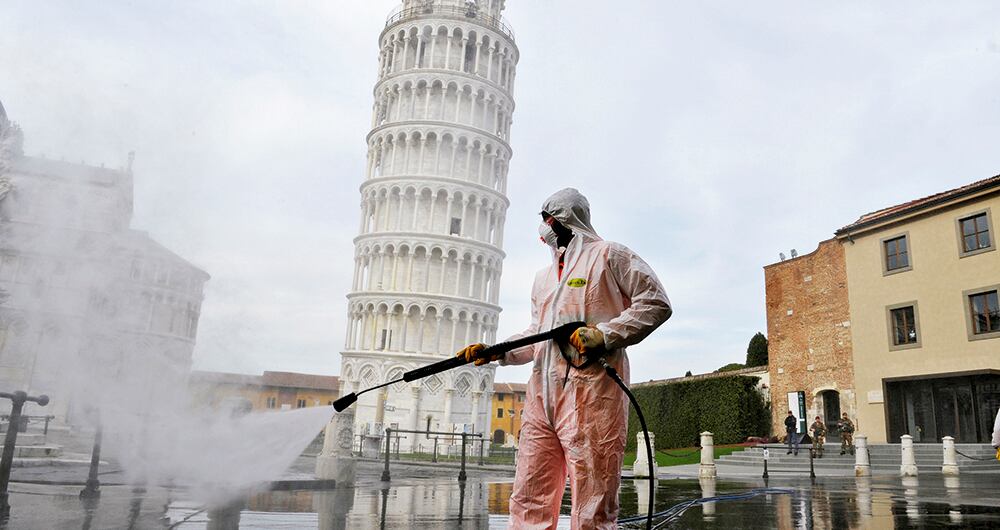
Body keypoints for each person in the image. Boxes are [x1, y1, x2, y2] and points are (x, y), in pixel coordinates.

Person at [455, 188, 672, 529]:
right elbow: (536, 335)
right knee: (529, 495)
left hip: (593, 395)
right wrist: (497, 350)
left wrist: (607, 334)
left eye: (548, 219)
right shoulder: (543, 279)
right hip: (543, 398)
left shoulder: (608, 256)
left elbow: (656, 302)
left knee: (593, 500)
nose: (544, 228)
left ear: (566, 219)